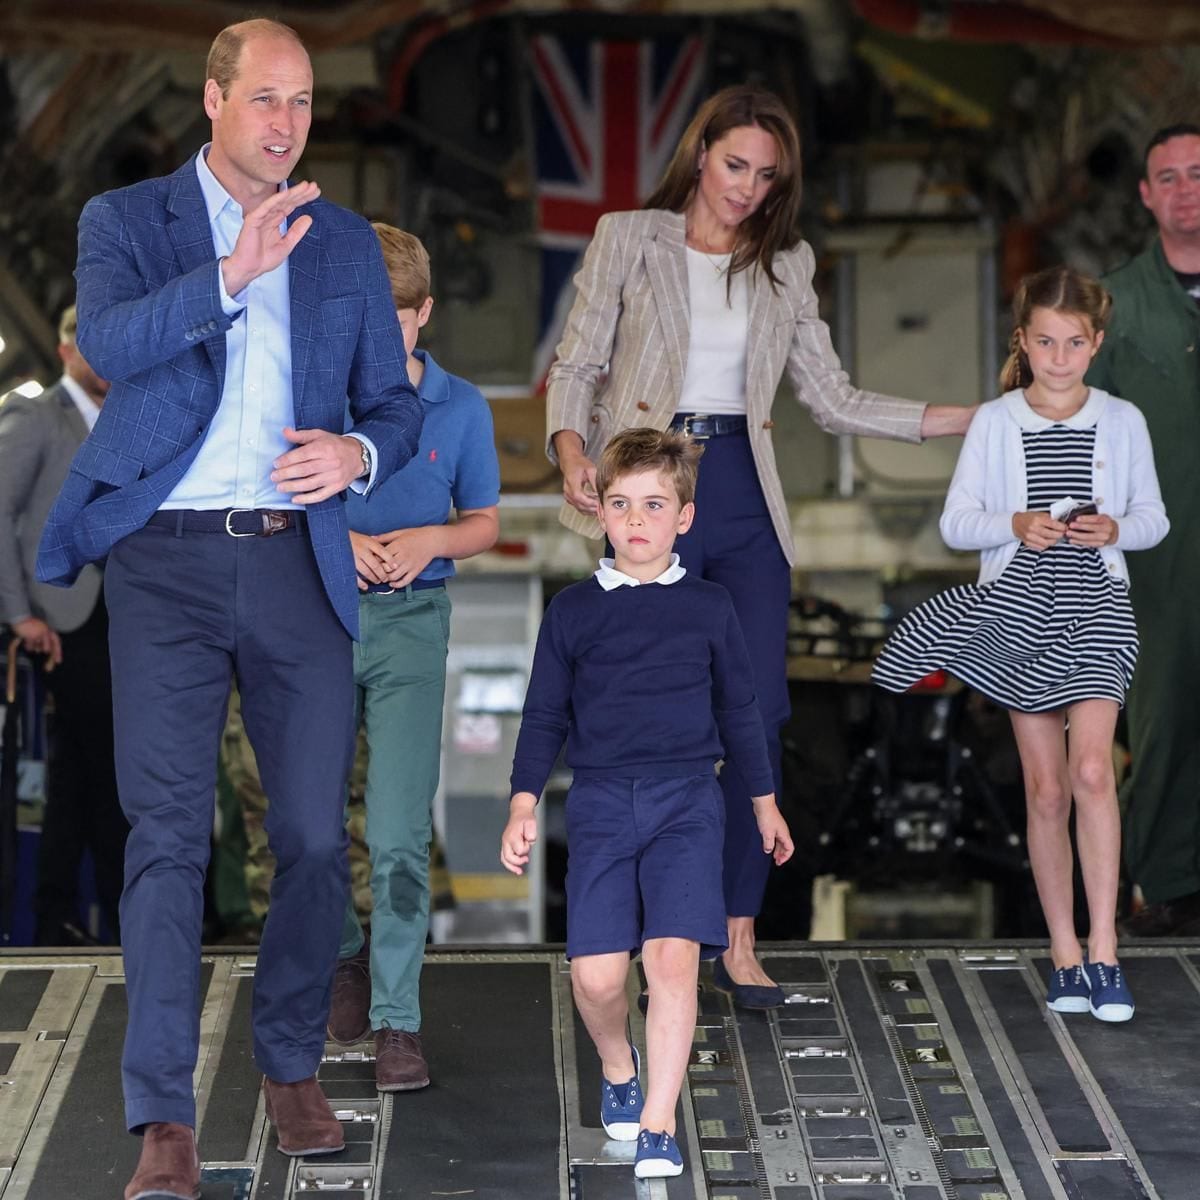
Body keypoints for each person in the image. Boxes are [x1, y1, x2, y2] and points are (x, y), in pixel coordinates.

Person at [35, 19, 423, 1200]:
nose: (287, 122)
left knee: (311, 840)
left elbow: (395, 410)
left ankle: (290, 1060)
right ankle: (161, 1117)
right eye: (265, 98)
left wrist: (354, 456)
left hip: (297, 564)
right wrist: (228, 276)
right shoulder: (127, 223)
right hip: (165, 562)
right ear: (213, 100)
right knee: (165, 839)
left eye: (302, 102)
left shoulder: (349, 244)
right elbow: (106, 341)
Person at [545, 85, 972, 1007]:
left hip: (743, 490)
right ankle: (654, 938)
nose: (746, 187)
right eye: (734, 164)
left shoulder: (788, 264)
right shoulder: (629, 236)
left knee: (757, 714)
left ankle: (736, 938)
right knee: (641, 712)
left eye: (766, 175)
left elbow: (836, 399)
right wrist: (573, 453)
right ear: (701, 152)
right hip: (651, 486)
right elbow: (577, 365)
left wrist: (973, 419)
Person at [873, 266, 1168, 1022]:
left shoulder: (1124, 420)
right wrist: (1014, 525)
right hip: (1016, 610)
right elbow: (956, 522)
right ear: (1023, 342)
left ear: (1096, 344)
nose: (1060, 356)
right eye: (1045, 341)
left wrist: (1115, 530)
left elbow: (1153, 520)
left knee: (1094, 771)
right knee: (1045, 789)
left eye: (1074, 342)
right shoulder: (997, 422)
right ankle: (1063, 953)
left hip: (1099, 601)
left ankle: (1105, 951)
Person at [501, 428, 794, 1179]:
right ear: (599, 510)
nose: (637, 519)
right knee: (597, 978)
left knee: (671, 965)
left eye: (655, 505)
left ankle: (660, 1123)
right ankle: (619, 1067)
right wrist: (522, 802)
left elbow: (741, 711)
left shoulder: (710, 605)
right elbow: (543, 716)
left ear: (684, 519)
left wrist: (764, 803)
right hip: (599, 804)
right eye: (622, 503)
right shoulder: (571, 611)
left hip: (690, 802)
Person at [326, 223, 500, 1092]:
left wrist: (432, 536)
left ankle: (398, 1018)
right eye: (359, 315)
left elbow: (485, 521)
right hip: (320, 618)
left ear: (423, 313)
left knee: (395, 832)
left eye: (392, 316)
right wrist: (338, 545)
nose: (375, 333)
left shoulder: (462, 409)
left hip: (412, 622)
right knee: (311, 829)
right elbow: (278, 498)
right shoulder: (318, 396)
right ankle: (343, 959)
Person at [1086, 125, 1200, 937]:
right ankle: (1164, 882)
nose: (1186, 189)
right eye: (1170, 177)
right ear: (1147, 197)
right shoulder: (1114, 305)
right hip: (1162, 548)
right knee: (1163, 712)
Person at [0, 304, 127, 945]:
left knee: (77, 769)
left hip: (120, 609)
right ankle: (114, 906)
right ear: (64, 350)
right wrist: (19, 612)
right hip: (62, 617)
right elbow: (0, 513)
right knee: (107, 762)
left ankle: (58, 913)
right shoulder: (36, 417)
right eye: (89, 343)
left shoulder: (126, 417)